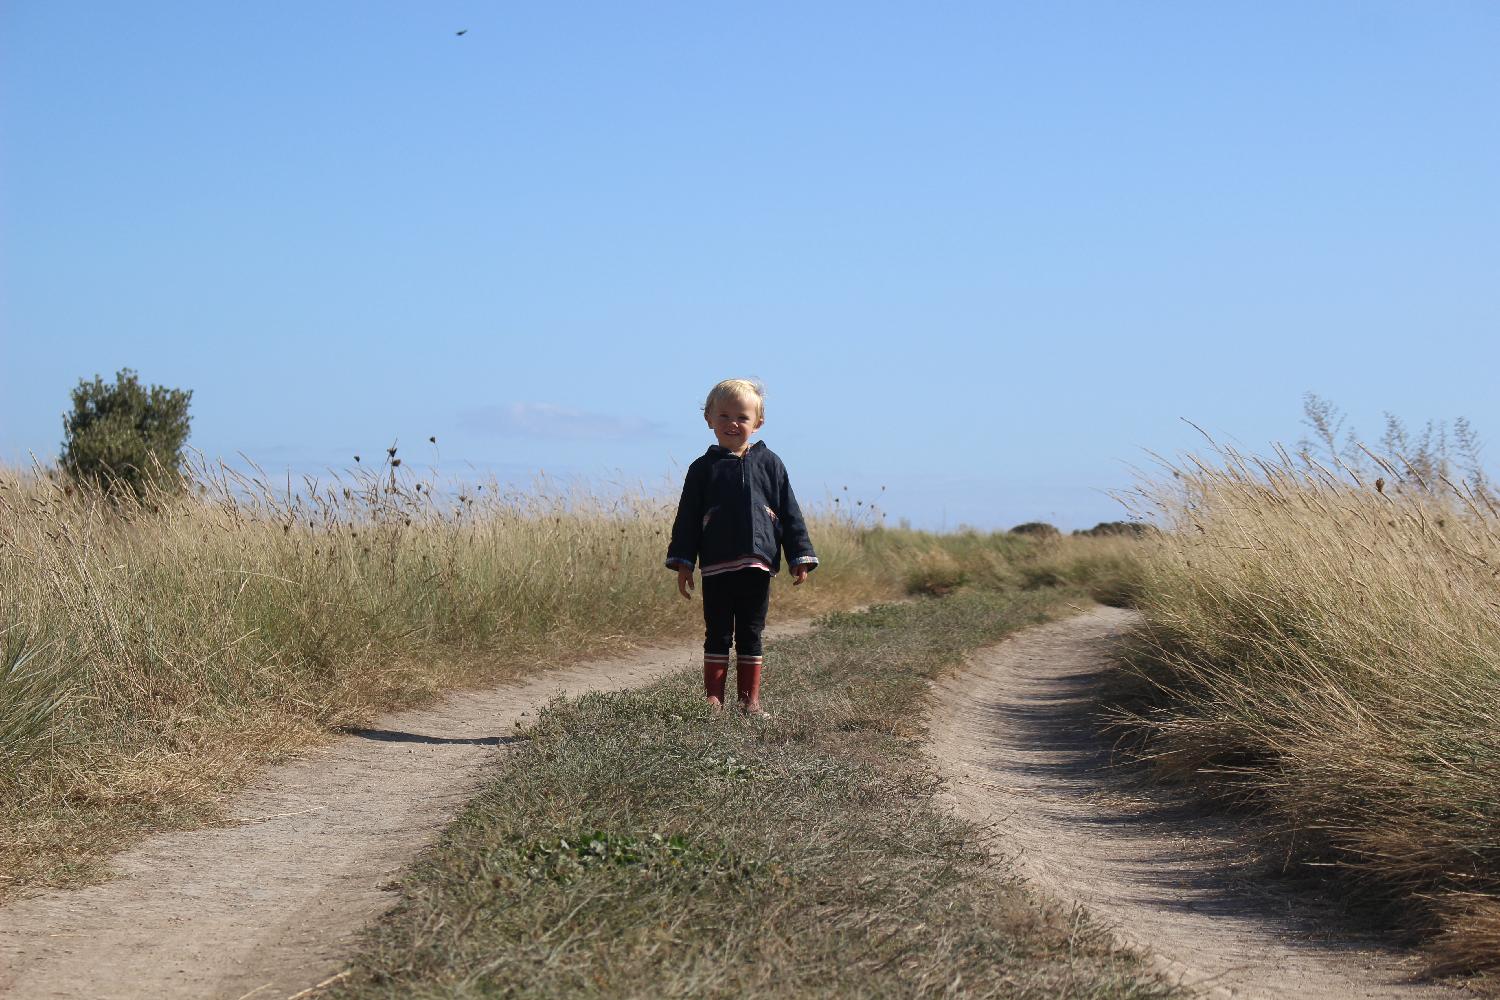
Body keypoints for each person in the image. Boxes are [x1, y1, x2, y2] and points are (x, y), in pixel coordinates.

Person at [665, 379, 818, 715]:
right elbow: (688, 518)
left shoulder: (771, 464)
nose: (732, 423)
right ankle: (713, 699)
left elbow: (790, 512)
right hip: (717, 566)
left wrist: (799, 556)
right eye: (723, 415)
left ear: (757, 423)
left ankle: (750, 700)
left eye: (742, 417)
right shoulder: (701, 469)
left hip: (757, 565)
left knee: (751, 631)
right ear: (708, 418)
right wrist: (683, 562)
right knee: (717, 631)